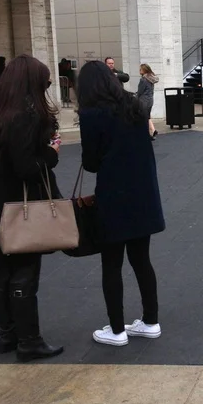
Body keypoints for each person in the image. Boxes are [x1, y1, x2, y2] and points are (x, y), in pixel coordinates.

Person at [77, 61, 165, 346]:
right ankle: (151, 321)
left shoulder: (92, 114)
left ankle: (116, 330)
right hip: (143, 195)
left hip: (113, 198)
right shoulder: (133, 106)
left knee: (111, 265)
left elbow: (90, 164)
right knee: (142, 261)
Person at [0, 54, 64, 361]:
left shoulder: (0, 111)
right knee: (25, 269)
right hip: (21, 206)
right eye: (45, 82)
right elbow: (27, 167)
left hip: (0, 203)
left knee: (4, 267)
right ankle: (29, 340)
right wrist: (51, 152)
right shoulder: (26, 114)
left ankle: (8, 335)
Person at [137, 63, 159, 139]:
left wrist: (136, 98)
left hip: (143, 100)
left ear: (144, 70)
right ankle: (152, 131)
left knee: (143, 118)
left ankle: (146, 135)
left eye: (140, 69)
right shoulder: (151, 79)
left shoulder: (143, 79)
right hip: (150, 100)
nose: (139, 71)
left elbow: (140, 91)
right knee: (147, 116)